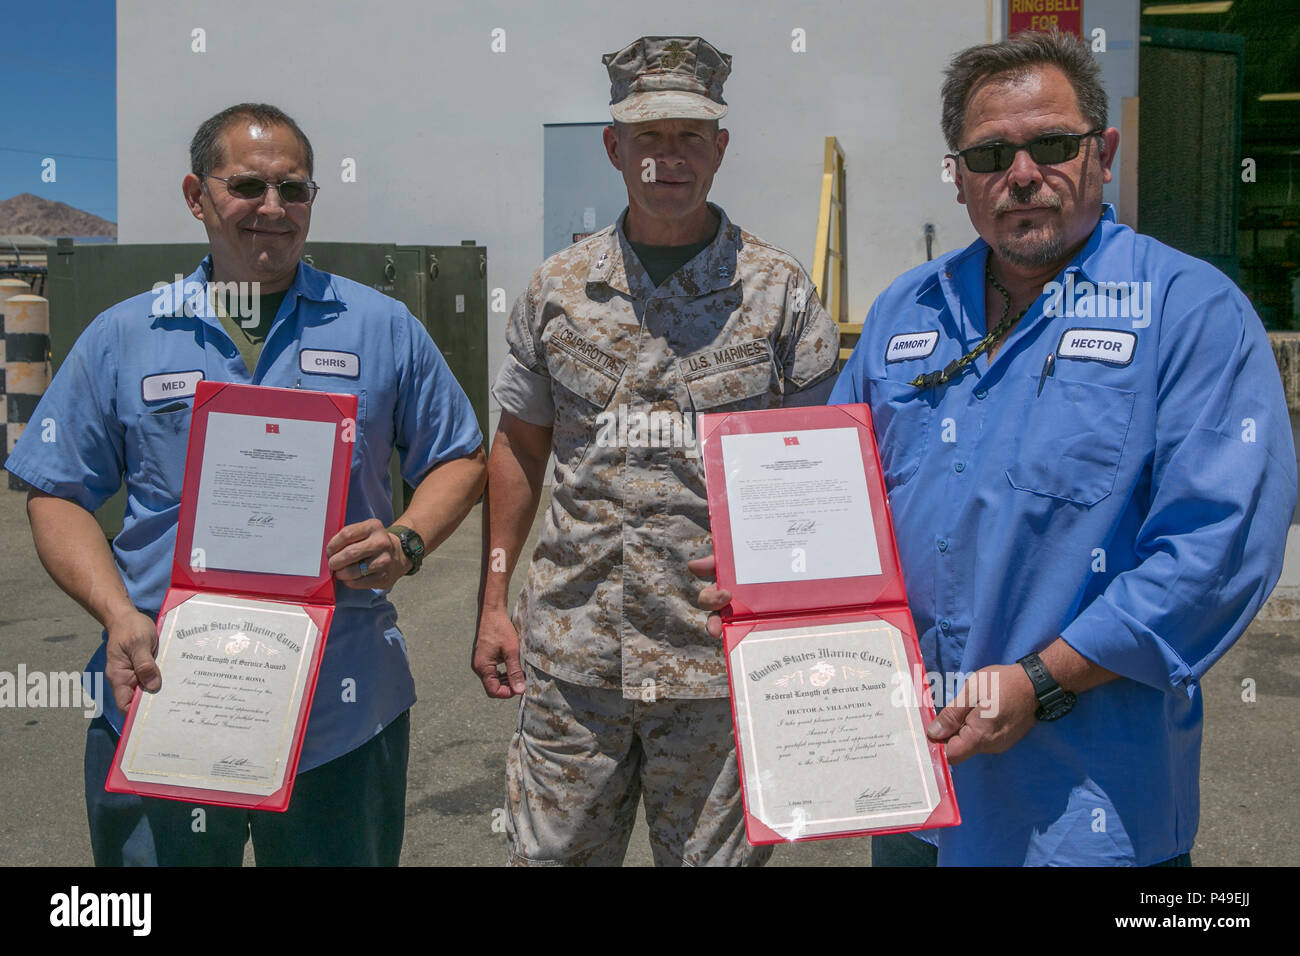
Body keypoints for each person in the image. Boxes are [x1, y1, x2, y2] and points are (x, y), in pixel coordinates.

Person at [697, 29, 1296, 866]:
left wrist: (1043, 681)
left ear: (1104, 152)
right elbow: (839, 495)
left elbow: (1215, 551)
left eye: (1051, 145)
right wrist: (774, 583)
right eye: (989, 155)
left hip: (1082, 808)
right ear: (959, 175)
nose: (1022, 174)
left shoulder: (1189, 313)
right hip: (909, 786)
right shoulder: (907, 312)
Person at [5, 103, 486, 866]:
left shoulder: (381, 327)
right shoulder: (124, 335)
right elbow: (56, 490)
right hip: (163, 688)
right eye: (248, 186)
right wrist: (114, 613)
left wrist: (406, 538)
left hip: (339, 703)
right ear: (197, 196)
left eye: (293, 190)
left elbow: (459, 456)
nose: (273, 208)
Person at [473, 36, 839, 866]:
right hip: (573, 661)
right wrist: (493, 601)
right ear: (614, 147)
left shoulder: (778, 292)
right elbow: (519, 449)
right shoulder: (556, 289)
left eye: (689, 136)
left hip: (717, 662)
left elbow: (821, 470)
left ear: (720, 149)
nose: (669, 157)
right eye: (649, 136)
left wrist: (806, 621)